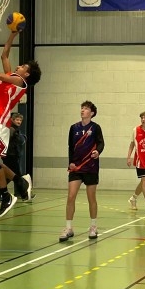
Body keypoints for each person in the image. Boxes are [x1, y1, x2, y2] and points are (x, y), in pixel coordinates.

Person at [0, 30, 41, 218]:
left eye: (22, 66)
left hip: (0, 123)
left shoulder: (19, 81)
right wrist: (13, 35)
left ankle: (6, 195)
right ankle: (20, 182)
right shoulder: (14, 75)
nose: (18, 66)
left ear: (26, 73)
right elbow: (5, 54)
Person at [59, 101, 105, 242]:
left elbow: (101, 143)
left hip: (91, 167)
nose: (83, 110)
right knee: (71, 196)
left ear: (91, 113)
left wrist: (98, 151)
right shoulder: (74, 128)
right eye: (82, 108)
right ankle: (68, 228)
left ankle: (93, 226)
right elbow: (70, 146)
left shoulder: (96, 127)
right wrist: (70, 162)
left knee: (91, 198)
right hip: (76, 168)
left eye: (86, 109)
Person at [0, 112, 32, 203]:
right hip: (10, 156)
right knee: (17, 175)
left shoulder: (16, 130)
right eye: (17, 120)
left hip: (14, 155)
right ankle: (23, 195)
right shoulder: (11, 129)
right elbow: (6, 140)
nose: (19, 121)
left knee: (10, 176)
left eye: (20, 120)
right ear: (12, 120)